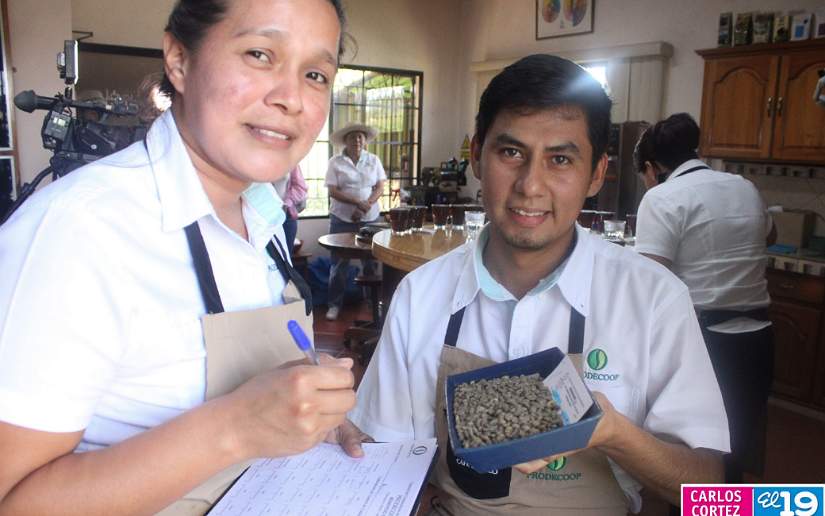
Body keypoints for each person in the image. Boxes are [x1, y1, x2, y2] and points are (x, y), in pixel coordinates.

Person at [0, 1, 367, 514]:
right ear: (178, 59)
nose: (291, 98)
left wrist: (306, 415)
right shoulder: (79, 230)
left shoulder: (261, 216)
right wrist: (235, 427)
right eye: (260, 54)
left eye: (315, 75)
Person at [341, 54, 729, 515]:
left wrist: (613, 432)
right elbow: (389, 455)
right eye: (511, 153)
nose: (530, 185)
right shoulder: (420, 295)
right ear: (476, 157)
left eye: (560, 159)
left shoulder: (653, 298)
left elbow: (709, 489)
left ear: (596, 173)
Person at [633, 113, 775, 484]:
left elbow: (649, 279)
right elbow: (770, 234)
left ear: (652, 168)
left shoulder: (662, 197)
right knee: (735, 449)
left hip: (704, 344)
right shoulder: (744, 186)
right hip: (758, 340)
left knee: (693, 458)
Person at [324, 122, 386, 320]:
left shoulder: (373, 160)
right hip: (341, 218)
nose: (357, 140)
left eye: (360, 137)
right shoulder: (335, 162)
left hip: (369, 218)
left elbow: (380, 187)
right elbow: (333, 190)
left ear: (365, 140)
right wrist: (357, 203)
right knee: (338, 265)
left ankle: (372, 304)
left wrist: (366, 205)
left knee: (370, 264)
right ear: (346, 141)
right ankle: (334, 305)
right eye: (352, 137)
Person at [273, 165, 309, 255]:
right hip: (258, 216)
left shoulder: (290, 160)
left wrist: (287, 203)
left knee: (285, 257)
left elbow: (300, 187)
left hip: (285, 215)